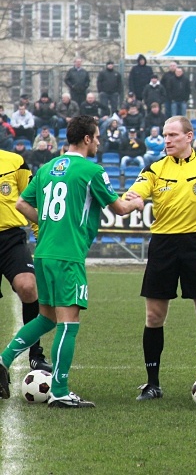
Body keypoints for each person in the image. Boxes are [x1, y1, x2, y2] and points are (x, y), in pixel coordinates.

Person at [0, 115, 143, 407]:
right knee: (69, 321)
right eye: (97, 136)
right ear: (87, 139)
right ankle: (61, 391)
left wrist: (50, 223)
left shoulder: (49, 167)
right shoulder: (91, 170)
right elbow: (119, 208)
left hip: (43, 252)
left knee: (46, 317)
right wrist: (137, 201)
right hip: (68, 256)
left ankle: (2, 360)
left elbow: (21, 203)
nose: (100, 141)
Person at [124, 116, 196, 402]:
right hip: (163, 244)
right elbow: (136, 194)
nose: (167, 140)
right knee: (154, 316)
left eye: (173, 135)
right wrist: (133, 201)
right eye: (165, 135)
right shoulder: (154, 168)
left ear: (189, 137)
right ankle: (152, 383)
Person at [0, 147, 50, 373]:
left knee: (29, 287)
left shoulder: (14, 161)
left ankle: (35, 354)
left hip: (10, 238)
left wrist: (41, 234)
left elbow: (31, 200)